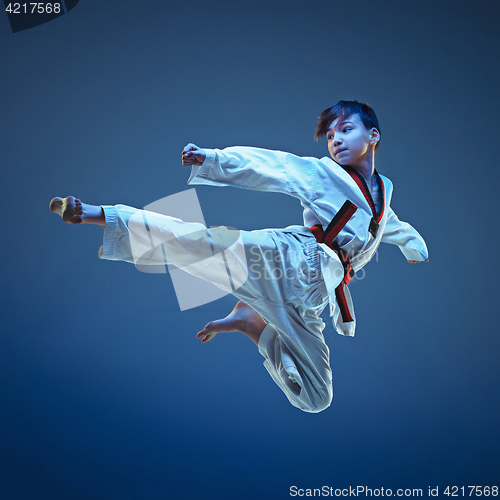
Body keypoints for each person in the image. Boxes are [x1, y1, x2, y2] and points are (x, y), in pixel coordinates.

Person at [49, 100, 428, 413]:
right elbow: (272, 166)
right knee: (198, 244)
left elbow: (395, 227)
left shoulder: (383, 197)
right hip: (289, 257)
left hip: (308, 299)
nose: (336, 141)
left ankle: (251, 323)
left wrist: (415, 247)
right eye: (330, 136)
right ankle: (98, 213)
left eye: (346, 131)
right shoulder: (323, 174)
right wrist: (212, 160)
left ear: (372, 135)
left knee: (317, 398)